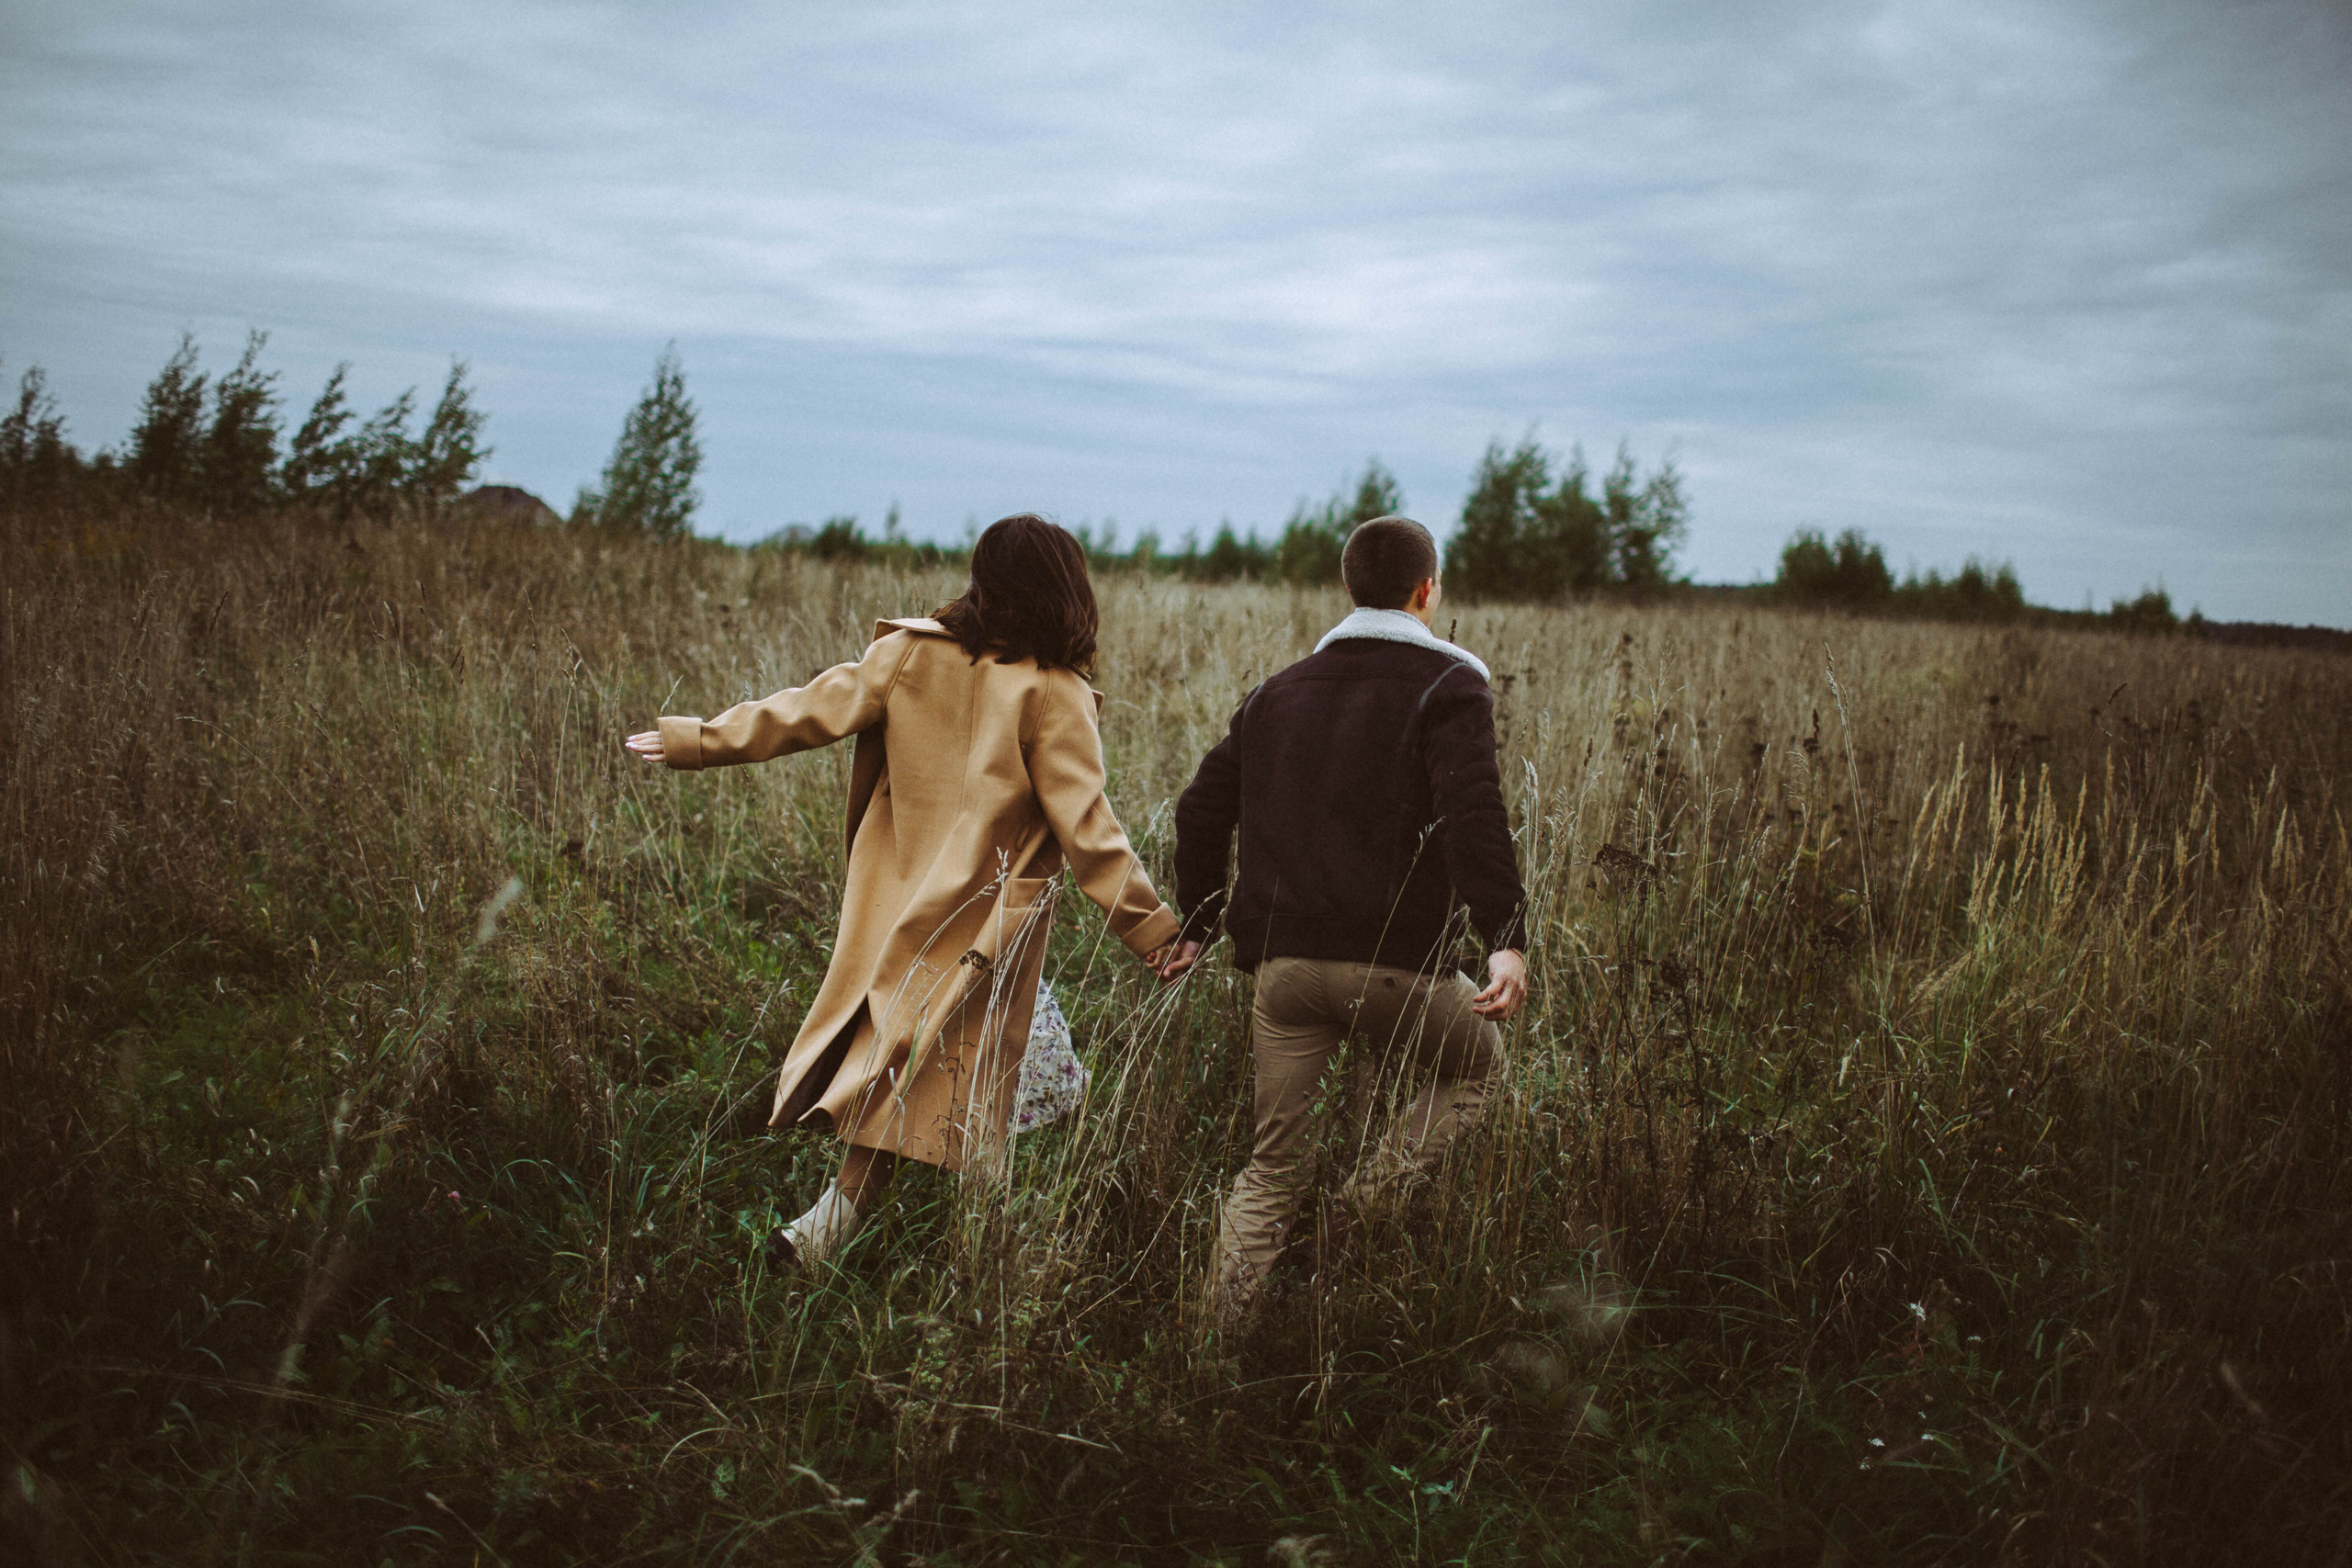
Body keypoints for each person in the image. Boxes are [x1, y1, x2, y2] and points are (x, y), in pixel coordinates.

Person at [626, 514, 1182, 1267]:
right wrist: (1154, 934)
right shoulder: (1055, 692)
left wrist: (699, 738)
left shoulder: (911, 654)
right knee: (951, 1069)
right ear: (1067, 590)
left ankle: (956, 1232)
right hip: (983, 925)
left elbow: (802, 710)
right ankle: (943, 1245)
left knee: (973, 1070)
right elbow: (1091, 830)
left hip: (900, 907)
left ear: (984, 581)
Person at [1159, 514, 1529, 1325]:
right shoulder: (1451, 684)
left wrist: (1199, 920)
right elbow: (1472, 809)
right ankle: (1358, 1217)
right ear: (1426, 591)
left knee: (1272, 1168)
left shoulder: (1278, 692)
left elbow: (1200, 808)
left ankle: (1209, 1350)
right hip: (1397, 966)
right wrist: (1506, 938)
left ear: (1347, 587)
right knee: (1477, 1068)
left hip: (1284, 970)